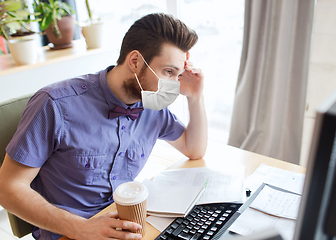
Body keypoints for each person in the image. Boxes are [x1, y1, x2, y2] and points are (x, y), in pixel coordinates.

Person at [0, 13, 207, 240]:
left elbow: (193, 149)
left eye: (178, 75)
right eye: (168, 72)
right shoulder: (55, 105)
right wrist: (80, 228)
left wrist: (195, 97)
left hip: (127, 224)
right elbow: (7, 188)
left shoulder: (151, 106)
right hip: (69, 233)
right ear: (135, 61)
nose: (173, 84)